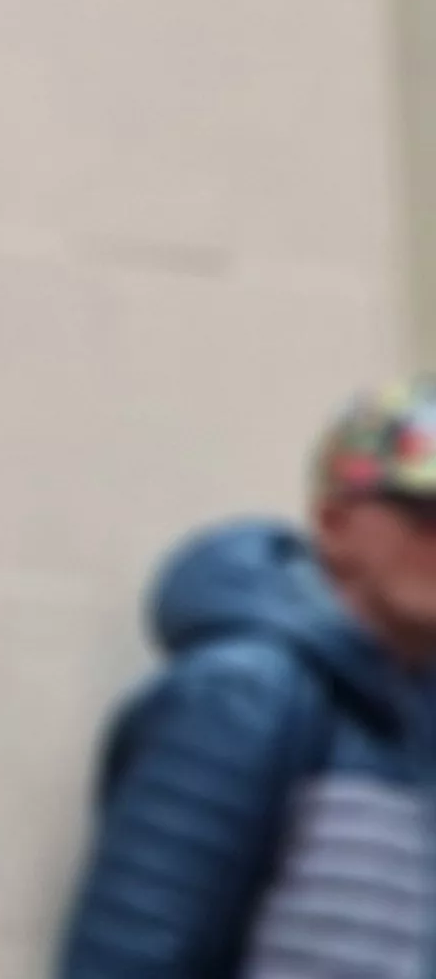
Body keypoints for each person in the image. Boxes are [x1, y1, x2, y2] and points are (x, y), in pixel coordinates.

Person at [57, 385, 436, 978]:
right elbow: (132, 955)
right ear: (334, 524)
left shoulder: (418, 719)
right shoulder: (244, 696)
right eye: (426, 515)